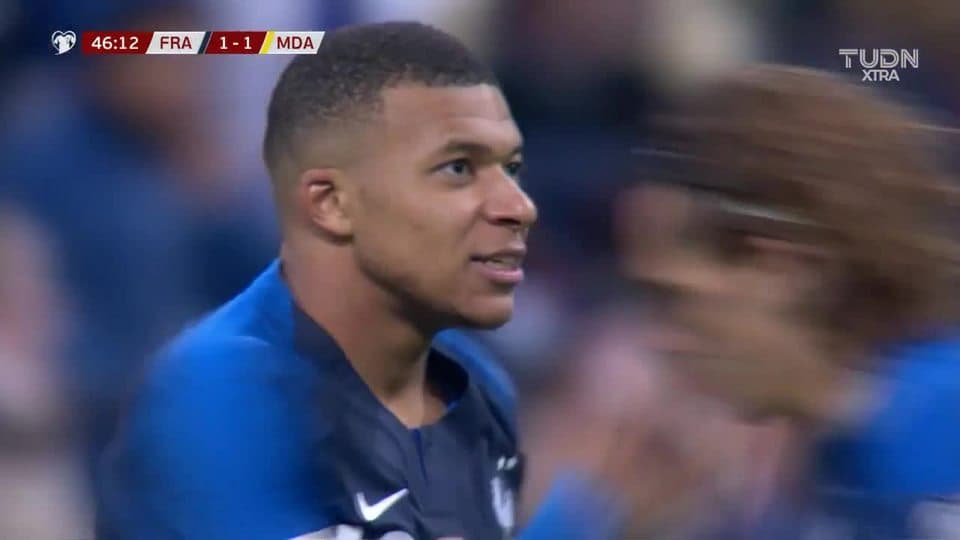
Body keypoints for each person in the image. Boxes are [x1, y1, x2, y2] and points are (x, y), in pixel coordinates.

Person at [97, 22, 673, 540]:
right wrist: (576, 523)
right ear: (331, 204)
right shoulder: (215, 400)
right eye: (457, 168)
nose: (517, 206)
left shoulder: (478, 386)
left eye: (511, 168)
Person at [630, 64, 960, 539]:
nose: (663, 340)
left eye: (676, 299)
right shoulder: (836, 459)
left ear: (782, 268)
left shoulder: (938, 430)